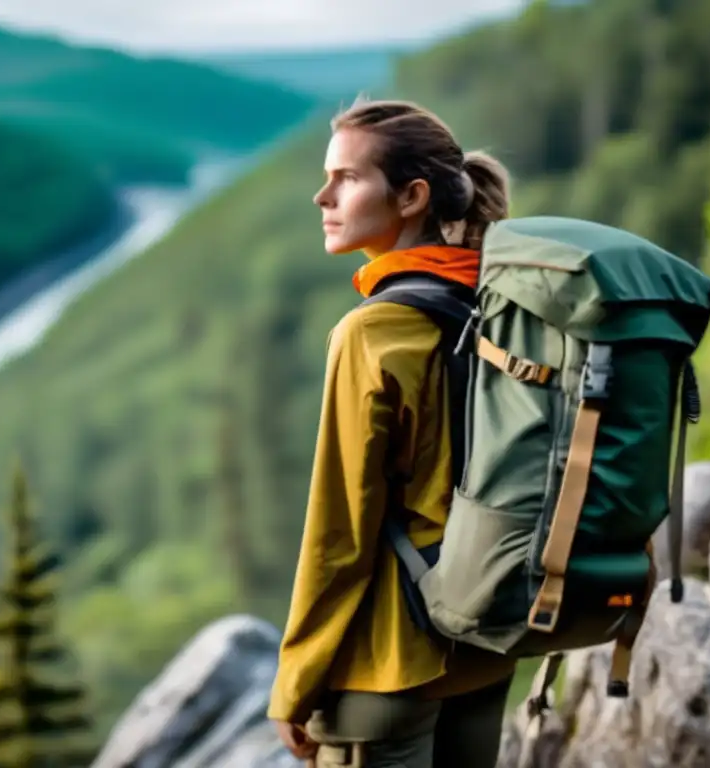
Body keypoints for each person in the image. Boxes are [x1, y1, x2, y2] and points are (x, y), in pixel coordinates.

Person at [266, 97, 518, 768]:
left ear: (411, 196)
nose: (323, 195)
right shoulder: (495, 308)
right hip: (482, 649)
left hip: (386, 667)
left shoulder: (371, 332)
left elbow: (339, 533)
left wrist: (294, 682)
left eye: (347, 178)